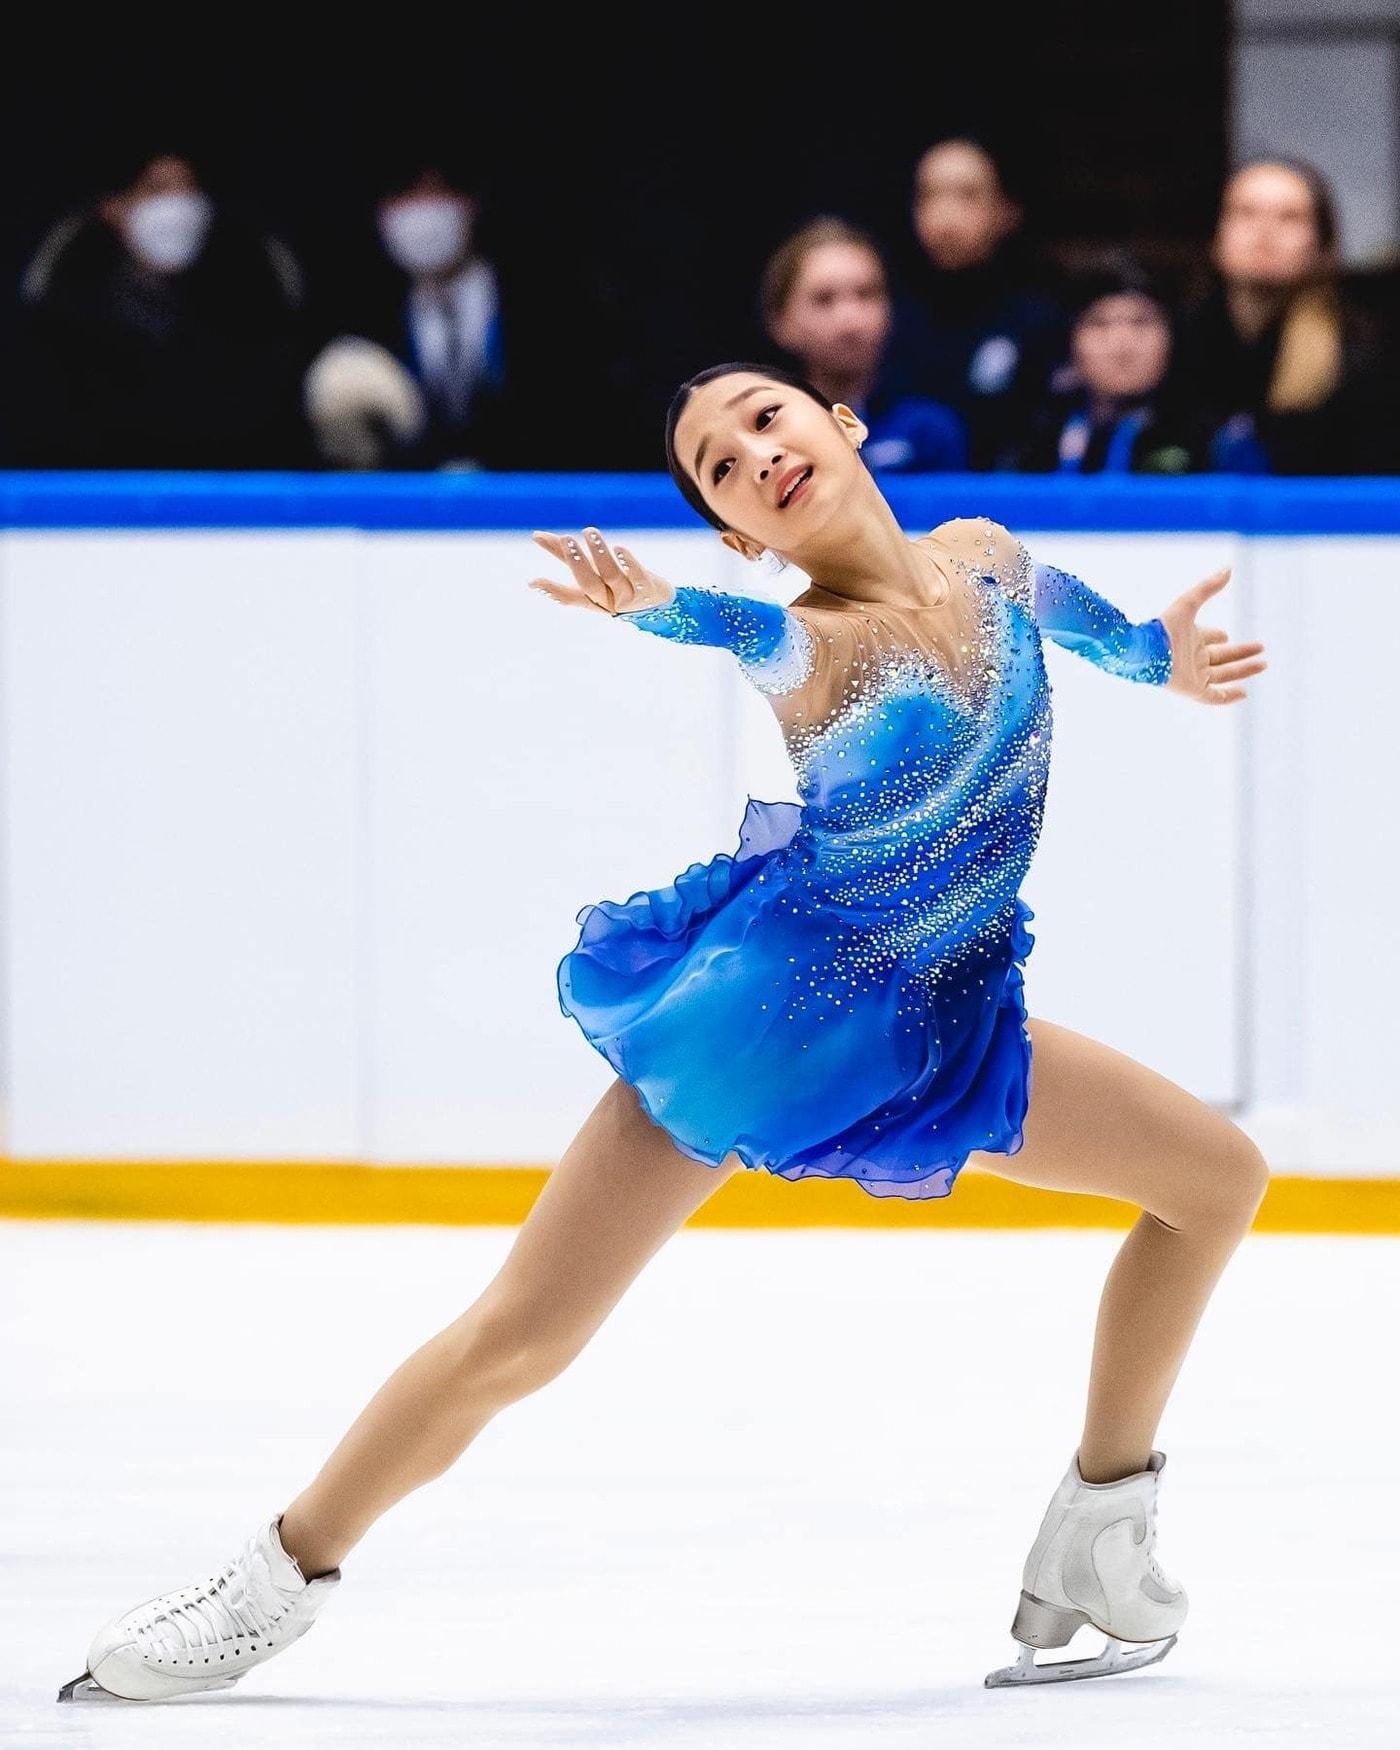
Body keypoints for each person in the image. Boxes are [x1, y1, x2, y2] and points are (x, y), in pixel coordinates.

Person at [59, 362, 1270, 1704]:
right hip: (771, 1022)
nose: (753, 451)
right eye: (717, 466)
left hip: (945, 1019)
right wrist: (654, 607)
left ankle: (1102, 1528)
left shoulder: (987, 559)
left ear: (841, 422)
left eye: (764, 416)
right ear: (742, 534)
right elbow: (741, 638)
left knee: (1215, 1181)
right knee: (524, 1331)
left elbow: (1081, 627)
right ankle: (273, 1579)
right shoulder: (812, 641)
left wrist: (1162, 656)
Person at [11, 150, 308, 469]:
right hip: (100, 480)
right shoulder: (67, 299)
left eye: (187, 191)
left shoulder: (250, 299)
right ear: (115, 209)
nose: (174, 207)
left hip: (218, 477)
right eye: (157, 190)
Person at [1175, 156, 1397, 475]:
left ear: (1321, 244)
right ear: (1216, 233)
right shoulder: (1180, 337)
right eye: (1245, 213)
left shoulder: (1364, 353)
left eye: (1290, 217)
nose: (1264, 232)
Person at [303, 158, 506, 471]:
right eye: (407, 196)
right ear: (382, 216)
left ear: (471, 203)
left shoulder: (549, 305)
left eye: (435, 193)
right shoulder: (363, 321)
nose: (422, 211)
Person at [885, 136, 1067, 469]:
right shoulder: (884, 316)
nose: (945, 216)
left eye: (967, 195)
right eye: (929, 195)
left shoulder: (1042, 321)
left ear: (1007, 211)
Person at [762, 216, 967, 471]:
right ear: (781, 321)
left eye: (866, 294)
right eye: (824, 299)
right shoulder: (762, 442)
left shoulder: (927, 432)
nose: (851, 321)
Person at [1000, 253, 1227, 474]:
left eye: (1141, 322)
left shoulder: (1214, 443)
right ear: (1070, 340)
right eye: (1099, 324)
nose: (1121, 346)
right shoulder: (1032, 438)